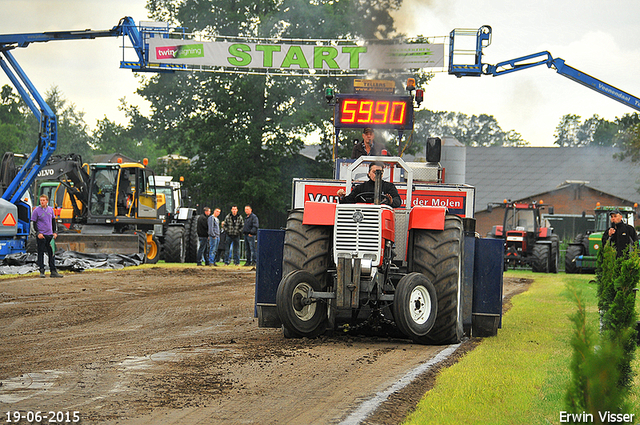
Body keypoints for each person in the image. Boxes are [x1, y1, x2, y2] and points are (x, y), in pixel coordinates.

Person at [337, 162, 402, 208]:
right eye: (374, 172)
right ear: (369, 173)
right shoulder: (360, 188)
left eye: (379, 172)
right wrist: (342, 197)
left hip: (382, 215)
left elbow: (398, 201)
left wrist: (391, 201)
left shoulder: (389, 187)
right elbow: (348, 201)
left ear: (382, 174)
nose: (377, 175)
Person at [31, 194, 63, 278]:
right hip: (42, 235)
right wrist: (38, 233)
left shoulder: (50, 210)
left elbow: (53, 222)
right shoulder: (36, 211)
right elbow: (33, 223)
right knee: (40, 252)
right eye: (41, 200)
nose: (42, 202)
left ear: (47, 201)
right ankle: (42, 270)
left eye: (43, 200)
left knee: (51, 253)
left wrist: (55, 232)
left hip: (50, 235)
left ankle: (53, 271)